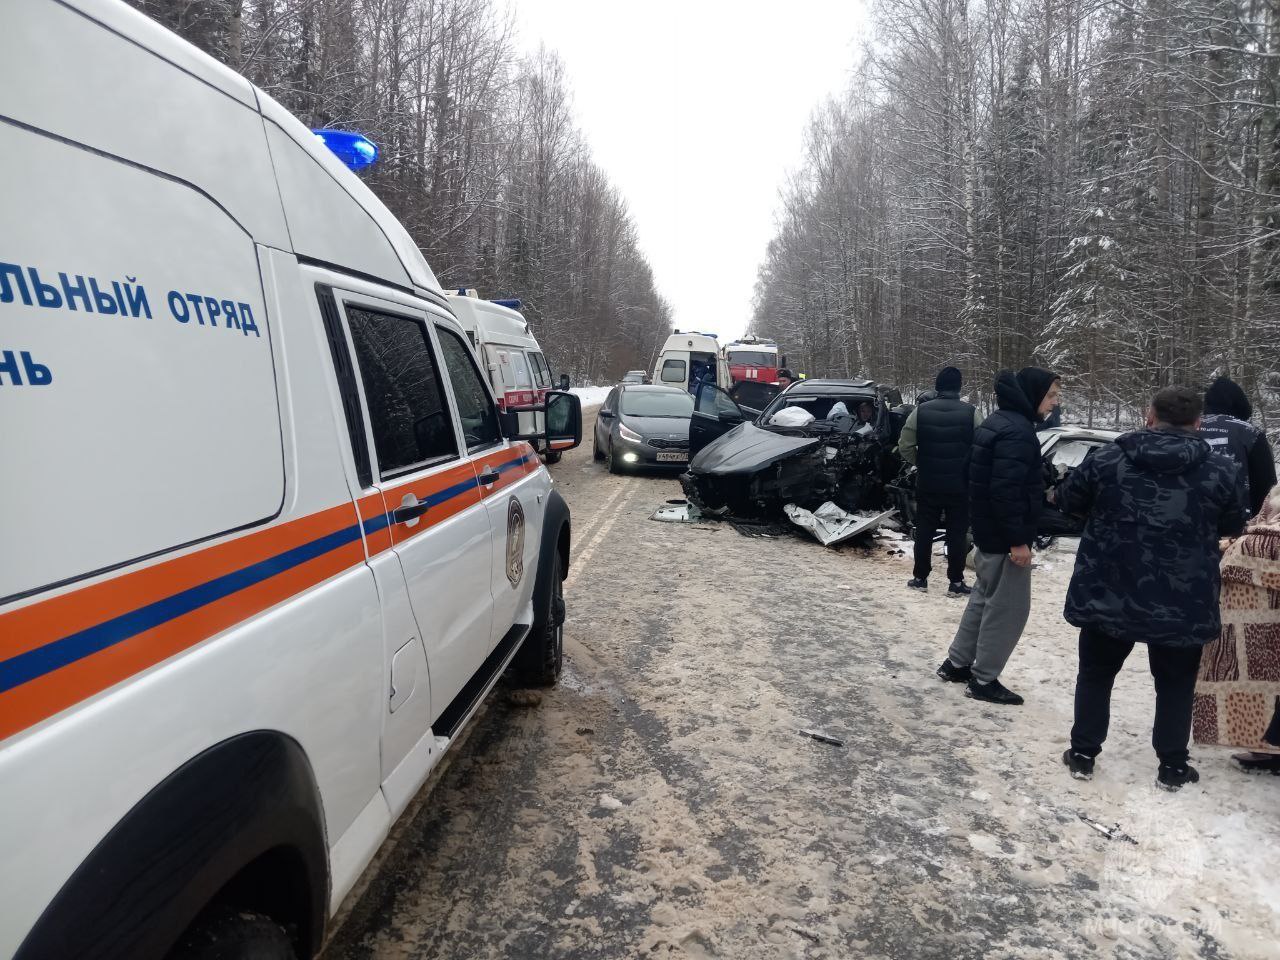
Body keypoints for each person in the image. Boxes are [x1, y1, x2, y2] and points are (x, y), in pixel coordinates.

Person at [1057, 386, 1247, 791]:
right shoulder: (1221, 470)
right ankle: (1172, 765)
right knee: (1175, 681)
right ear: (1198, 423)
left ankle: (1084, 753)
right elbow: (1233, 525)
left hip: (1109, 587)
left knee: (1095, 673)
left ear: (1149, 415)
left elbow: (1068, 502)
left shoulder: (1106, 459)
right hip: (1184, 595)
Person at [936, 368, 1061, 704]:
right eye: (1050, 395)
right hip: (1005, 538)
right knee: (1007, 609)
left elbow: (971, 475)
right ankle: (984, 679)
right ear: (1033, 395)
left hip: (989, 532)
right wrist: (1018, 540)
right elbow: (1006, 491)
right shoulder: (1018, 433)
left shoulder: (996, 422)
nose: (1055, 402)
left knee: (982, 598)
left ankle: (957, 663)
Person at [1194, 486, 1280, 775]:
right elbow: (1260, 519)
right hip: (1260, 576)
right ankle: (1267, 745)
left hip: (1258, 568)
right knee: (1264, 664)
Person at [898, 367, 982, 596]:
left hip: (928, 482)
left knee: (925, 530)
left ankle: (920, 578)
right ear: (959, 387)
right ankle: (955, 582)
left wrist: (921, 462)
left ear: (937, 386)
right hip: (960, 485)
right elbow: (982, 446)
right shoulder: (971, 412)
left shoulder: (920, 411)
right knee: (957, 533)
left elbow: (904, 445)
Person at [1200, 376, 1276, 518]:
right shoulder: (1251, 433)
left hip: (1189, 524)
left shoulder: (1187, 428)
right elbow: (1266, 487)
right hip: (1238, 526)